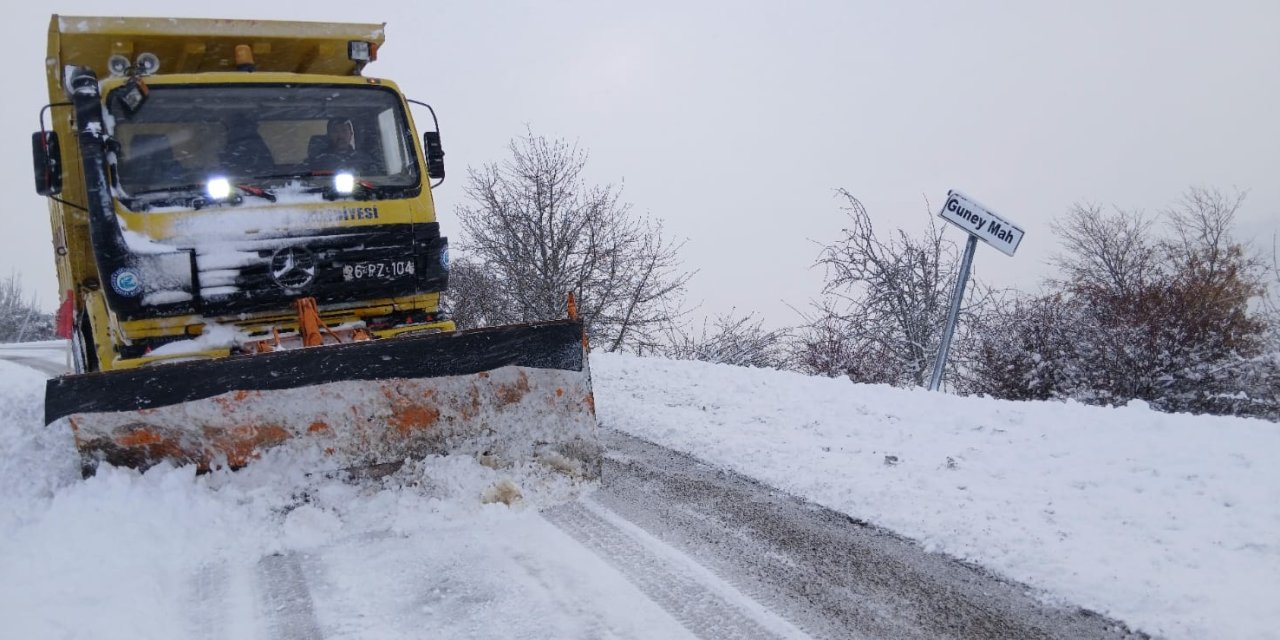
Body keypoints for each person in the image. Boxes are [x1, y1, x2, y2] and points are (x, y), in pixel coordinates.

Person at [308, 118, 376, 173]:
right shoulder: (319, 161)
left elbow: (375, 181)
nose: (341, 136)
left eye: (344, 130)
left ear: (351, 134)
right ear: (329, 135)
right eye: (335, 131)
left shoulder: (364, 159)